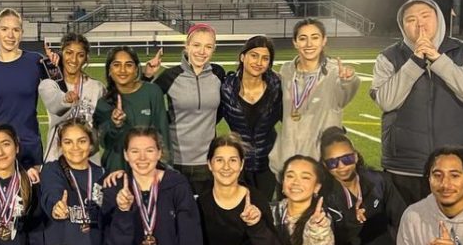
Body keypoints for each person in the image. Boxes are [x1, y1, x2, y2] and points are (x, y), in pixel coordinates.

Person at [370, 0, 463, 203]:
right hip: (404, 164)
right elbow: (386, 101)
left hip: (454, 166)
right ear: (402, 26)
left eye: (426, 16)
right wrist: (415, 62)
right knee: (404, 228)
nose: (420, 24)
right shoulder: (388, 57)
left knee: (455, 230)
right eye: (411, 19)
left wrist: (437, 59)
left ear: (439, 19)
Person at [102, 127, 203, 245]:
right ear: (126, 154)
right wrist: (124, 211)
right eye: (134, 151)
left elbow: (191, 242)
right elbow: (118, 242)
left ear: (159, 153)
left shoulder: (177, 185)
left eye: (149, 150)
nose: (142, 158)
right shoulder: (114, 187)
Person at [268, 19, 359, 175]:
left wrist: (348, 80)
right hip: (288, 165)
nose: (309, 43)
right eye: (303, 38)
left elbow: (346, 93)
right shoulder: (287, 71)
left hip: (321, 166)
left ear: (324, 41)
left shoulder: (334, 73)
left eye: (315, 37)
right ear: (295, 43)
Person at [143, 23, 225, 190]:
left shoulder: (218, 74)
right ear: (186, 46)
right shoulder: (170, 76)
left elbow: (223, 108)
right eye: (196, 45)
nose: (202, 52)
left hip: (208, 163)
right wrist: (147, 75)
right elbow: (145, 102)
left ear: (213, 49)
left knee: (203, 213)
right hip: (175, 162)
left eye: (208, 47)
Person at [0, 8, 59, 170]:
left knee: (33, 194)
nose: (10, 35)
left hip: (29, 145)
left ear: (21, 33)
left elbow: (61, 93)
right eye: (4, 29)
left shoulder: (35, 60)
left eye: (16, 30)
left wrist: (56, 66)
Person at [39, 119, 109, 245]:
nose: (75, 148)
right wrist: (56, 205)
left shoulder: (102, 175)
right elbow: (51, 191)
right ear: (60, 145)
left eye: (82, 141)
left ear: (91, 144)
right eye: (68, 142)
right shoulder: (52, 170)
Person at [219, 35, 282, 203]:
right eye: (254, 55)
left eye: (265, 58)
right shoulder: (226, 88)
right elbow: (207, 116)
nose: (259, 62)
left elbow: (295, 120)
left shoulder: (277, 88)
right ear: (242, 57)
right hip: (236, 165)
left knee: (264, 212)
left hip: (267, 165)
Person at [93, 46, 170, 173]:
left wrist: (166, 169)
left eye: (128, 65)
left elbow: (163, 133)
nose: (122, 70)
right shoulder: (104, 103)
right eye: (116, 65)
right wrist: (115, 125)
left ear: (136, 69)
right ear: (109, 71)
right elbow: (104, 143)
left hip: (147, 170)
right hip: (116, 172)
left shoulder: (152, 92)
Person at [38, 32, 105, 163]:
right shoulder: (52, 84)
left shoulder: (98, 88)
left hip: (89, 162)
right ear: (61, 54)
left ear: (86, 59)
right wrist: (66, 100)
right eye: (69, 53)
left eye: (80, 55)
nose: (73, 60)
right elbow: (55, 105)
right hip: (56, 161)